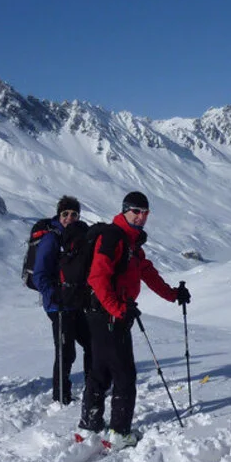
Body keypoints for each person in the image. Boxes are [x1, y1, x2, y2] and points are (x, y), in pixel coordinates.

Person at [78, 191, 191, 448]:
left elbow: (148, 273)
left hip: (106, 314)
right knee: (124, 375)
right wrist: (118, 309)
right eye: (136, 212)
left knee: (101, 371)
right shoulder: (113, 238)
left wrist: (174, 295)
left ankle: (90, 425)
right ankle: (119, 433)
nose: (141, 217)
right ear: (125, 211)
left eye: (145, 213)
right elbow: (97, 277)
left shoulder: (130, 244)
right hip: (109, 315)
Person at [33, 196, 94, 404]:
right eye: (65, 214)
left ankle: (92, 385)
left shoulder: (78, 237)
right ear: (59, 215)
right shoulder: (52, 239)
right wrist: (53, 295)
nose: (69, 217)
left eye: (74, 214)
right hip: (58, 305)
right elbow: (39, 274)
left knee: (91, 343)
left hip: (75, 302)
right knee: (66, 350)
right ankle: (61, 396)